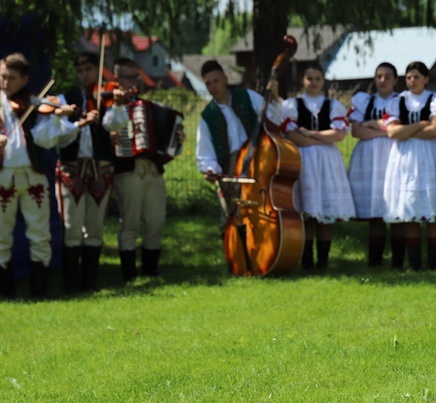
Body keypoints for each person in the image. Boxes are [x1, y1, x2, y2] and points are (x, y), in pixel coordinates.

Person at [0, 53, 78, 298]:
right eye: (2, 77)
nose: (4, 83)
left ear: (24, 79)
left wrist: (55, 118)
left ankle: (38, 292)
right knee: (1, 235)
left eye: (11, 78)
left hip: (34, 175)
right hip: (3, 176)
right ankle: (5, 291)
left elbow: (46, 140)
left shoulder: (36, 103)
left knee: (40, 234)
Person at [103, 57, 184, 282]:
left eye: (134, 76)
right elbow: (109, 125)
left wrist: (177, 142)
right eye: (126, 77)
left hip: (152, 169)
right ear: (116, 78)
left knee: (156, 220)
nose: (132, 81)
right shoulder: (110, 106)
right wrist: (118, 105)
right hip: (128, 170)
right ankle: (129, 275)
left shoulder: (144, 106)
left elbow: (168, 146)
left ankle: (150, 270)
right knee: (129, 223)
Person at [280, 61, 355, 270]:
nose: (313, 83)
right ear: (302, 80)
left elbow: (339, 135)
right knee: (307, 212)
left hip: (328, 162)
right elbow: (294, 136)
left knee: (325, 214)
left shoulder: (333, 106)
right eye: (309, 78)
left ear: (323, 80)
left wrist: (310, 134)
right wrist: (321, 138)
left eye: (317, 79)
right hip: (303, 160)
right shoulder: (291, 105)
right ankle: (306, 261)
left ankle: (323, 261)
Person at [195, 59, 282, 234]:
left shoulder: (248, 97)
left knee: (261, 213)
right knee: (231, 218)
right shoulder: (208, 116)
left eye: (216, 81)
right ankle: (235, 256)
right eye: (208, 84)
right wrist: (210, 169)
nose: (213, 87)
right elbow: (205, 152)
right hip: (229, 168)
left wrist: (276, 97)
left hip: (258, 161)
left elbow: (275, 119)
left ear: (225, 79)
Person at [382, 61, 436, 271]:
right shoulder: (398, 101)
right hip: (403, 158)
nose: (412, 81)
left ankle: (433, 263)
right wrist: (420, 124)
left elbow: (434, 131)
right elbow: (391, 132)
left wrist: (406, 130)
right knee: (409, 208)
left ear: (426, 78)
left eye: (417, 77)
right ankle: (414, 264)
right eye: (409, 77)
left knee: (432, 209)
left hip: (429, 156)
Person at [55, 52, 116, 292]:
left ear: (97, 71)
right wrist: (79, 123)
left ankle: (89, 282)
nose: (84, 75)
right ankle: (70, 283)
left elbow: (115, 125)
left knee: (95, 226)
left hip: (100, 167)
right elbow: (60, 137)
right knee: (71, 225)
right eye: (80, 71)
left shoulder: (107, 97)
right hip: (72, 167)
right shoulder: (66, 99)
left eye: (89, 70)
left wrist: (116, 106)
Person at [347, 62, 400, 267]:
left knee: (395, 207)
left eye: (387, 76)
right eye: (379, 76)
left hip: (394, 155)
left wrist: (370, 124)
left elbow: (396, 129)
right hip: (369, 158)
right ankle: (375, 260)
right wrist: (382, 131)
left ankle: (398, 260)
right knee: (375, 208)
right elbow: (356, 131)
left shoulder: (400, 101)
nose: (383, 80)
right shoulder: (364, 101)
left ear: (395, 80)